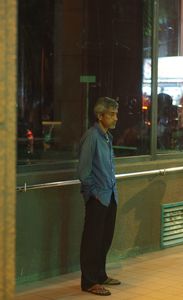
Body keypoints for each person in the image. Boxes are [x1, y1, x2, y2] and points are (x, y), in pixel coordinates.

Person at [77, 97, 121, 296]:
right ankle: (89, 282)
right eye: (111, 114)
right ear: (100, 115)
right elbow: (84, 170)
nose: (115, 118)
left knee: (104, 238)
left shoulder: (107, 137)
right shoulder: (92, 136)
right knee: (92, 241)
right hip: (98, 197)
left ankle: (101, 275)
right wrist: (93, 193)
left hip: (110, 195)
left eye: (115, 114)